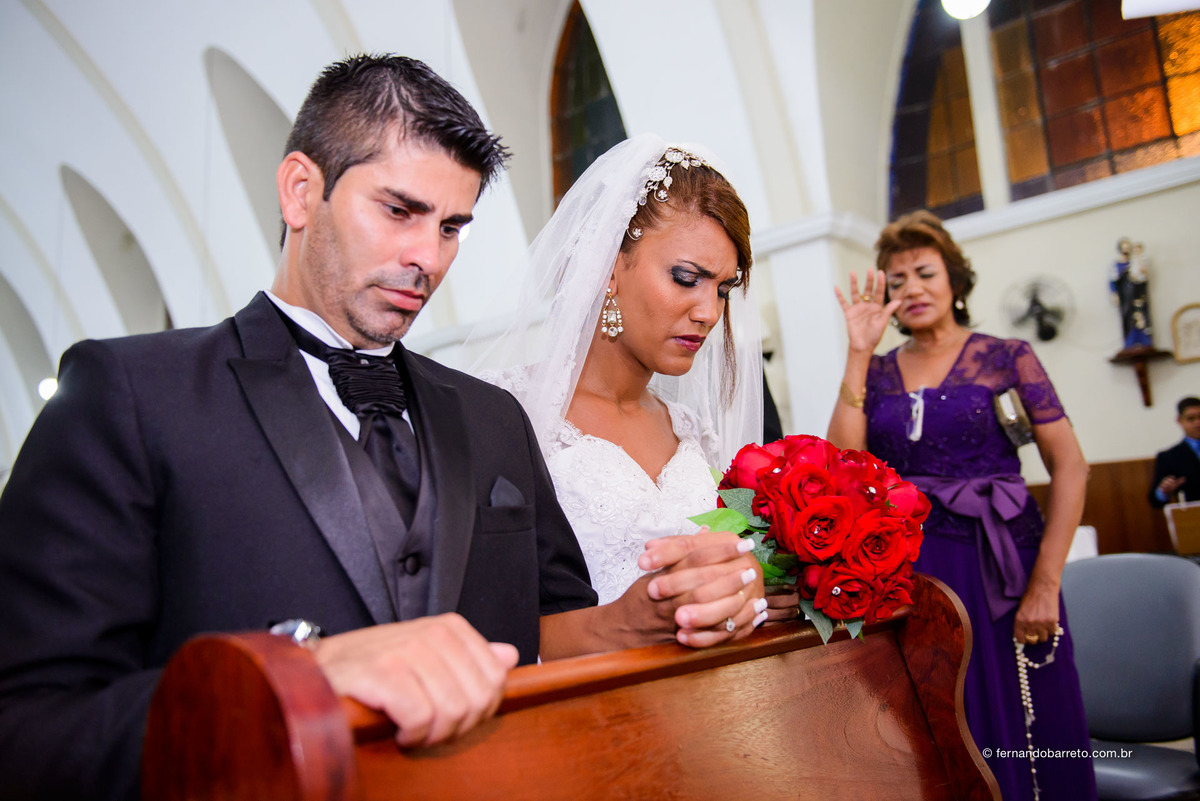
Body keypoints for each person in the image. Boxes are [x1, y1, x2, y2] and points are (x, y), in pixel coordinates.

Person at [0, 57, 755, 801]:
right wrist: (300, 674)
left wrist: (642, 617)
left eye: (452, 226)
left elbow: (547, 631)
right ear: (301, 190)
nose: (427, 257)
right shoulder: (132, 394)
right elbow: (30, 727)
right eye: (399, 210)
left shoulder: (493, 418)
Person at [827, 210, 1096, 800]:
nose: (913, 289)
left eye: (925, 272)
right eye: (897, 281)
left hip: (1006, 564)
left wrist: (1046, 584)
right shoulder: (876, 370)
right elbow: (845, 465)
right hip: (916, 572)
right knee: (943, 720)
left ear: (954, 279)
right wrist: (857, 350)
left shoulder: (1007, 355)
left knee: (1030, 721)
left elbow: (1070, 466)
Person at [470, 135, 786, 637]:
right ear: (609, 270)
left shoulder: (690, 428)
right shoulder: (503, 413)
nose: (708, 313)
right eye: (686, 278)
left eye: (723, 289)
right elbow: (484, 619)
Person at [1149, 396, 1200, 508]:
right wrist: (1164, 491)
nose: (1197, 423)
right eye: (1191, 418)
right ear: (1179, 420)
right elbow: (1154, 500)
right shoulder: (1169, 457)